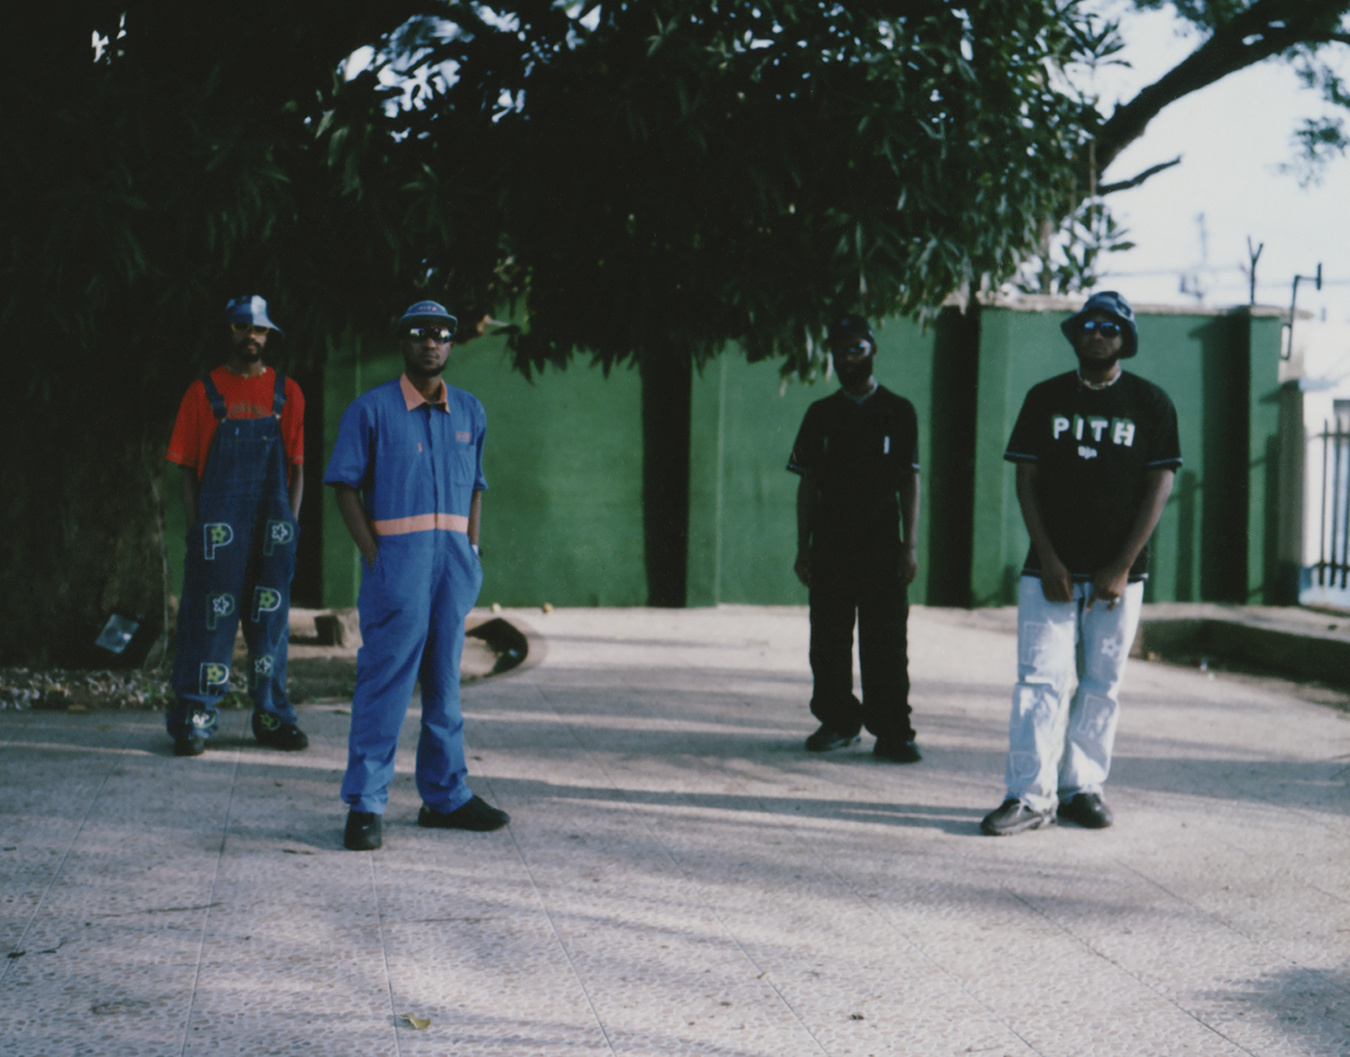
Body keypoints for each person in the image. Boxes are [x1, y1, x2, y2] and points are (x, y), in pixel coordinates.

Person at [981, 291, 1180, 836]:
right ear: (1075, 334)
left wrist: (1121, 566)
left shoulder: (1152, 403)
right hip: (1049, 567)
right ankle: (1028, 796)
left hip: (1120, 572)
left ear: (1125, 340)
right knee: (1039, 680)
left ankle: (1081, 787)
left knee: (1102, 682)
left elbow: (1158, 487)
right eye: (1089, 325)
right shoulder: (1044, 398)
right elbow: (1027, 480)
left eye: (1111, 327)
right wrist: (1048, 558)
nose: (1098, 334)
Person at [325, 300, 509, 852]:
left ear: (453, 343)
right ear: (403, 341)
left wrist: (471, 549)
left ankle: (446, 796)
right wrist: (375, 555)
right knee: (384, 685)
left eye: (443, 334)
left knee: (446, 688)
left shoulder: (471, 412)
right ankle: (366, 804)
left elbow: (477, 485)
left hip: (452, 568)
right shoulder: (372, 409)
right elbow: (344, 486)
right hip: (397, 567)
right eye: (420, 333)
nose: (432, 342)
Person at [165, 296, 308, 757]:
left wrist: (290, 523)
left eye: (261, 330)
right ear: (227, 331)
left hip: (273, 533)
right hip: (216, 534)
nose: (253, 337)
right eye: (243, 327)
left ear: (270, 337)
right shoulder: (202, 392)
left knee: (270, 631)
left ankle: (272, 718)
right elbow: (186, 468)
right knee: (207, 629)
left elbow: (297, 467)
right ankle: (195, 721)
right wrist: (196, 528)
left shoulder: (288, 393)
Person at [787, 314, 922, 763]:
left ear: (873, 351)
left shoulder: (898, 411)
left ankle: (893, 732)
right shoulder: (820, 414)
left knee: (886, 641)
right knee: (827, 640)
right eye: (840, 350)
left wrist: (910, 545)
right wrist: (803, 547)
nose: (848, 357)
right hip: (830, 546)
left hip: (883, 545)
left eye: (856, 349)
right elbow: (807, 486)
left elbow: (909, 482)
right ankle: (838, 721)